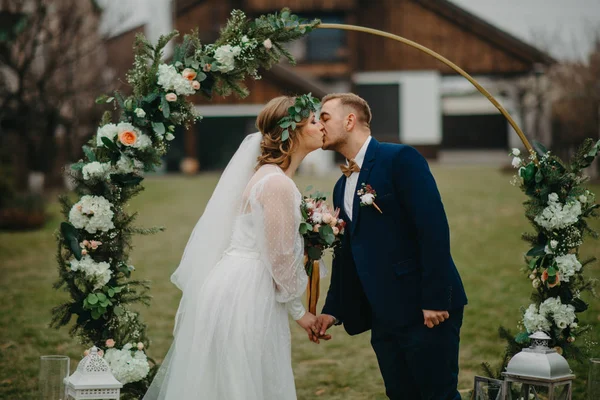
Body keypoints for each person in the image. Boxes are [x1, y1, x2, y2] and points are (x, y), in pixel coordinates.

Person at [143, 95, 325, 400]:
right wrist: (300, 312)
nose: (322, 127)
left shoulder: (269, 177)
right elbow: (279, 257)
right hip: (248, 291)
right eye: (314, 121)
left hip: (236, 282)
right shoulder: (277, 184)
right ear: (292, 132)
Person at [316, 93, 468, 400]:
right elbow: (347, 254)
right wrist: (332, 310)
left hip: (424, 309)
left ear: (350, 120)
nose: (318, 125)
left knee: (438, 395)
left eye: (325, 117)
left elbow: (433, 229)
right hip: (383, 315)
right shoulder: (340, 185)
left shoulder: (400, 159)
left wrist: (436, 299)